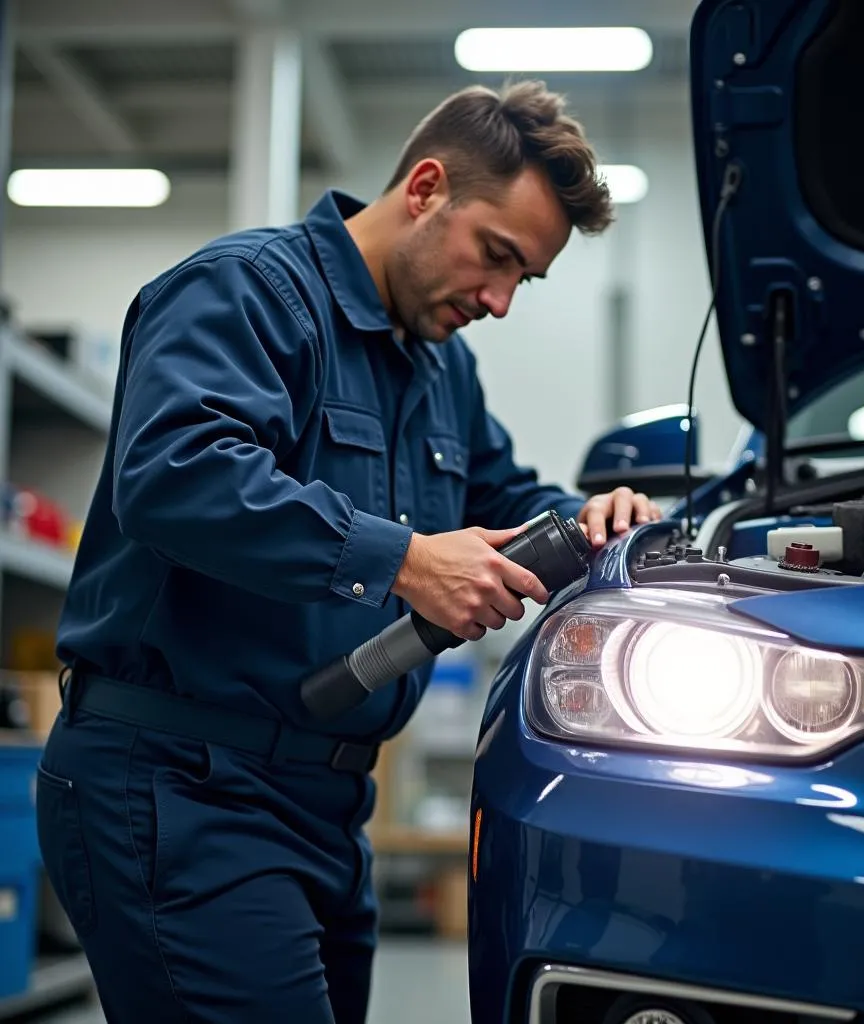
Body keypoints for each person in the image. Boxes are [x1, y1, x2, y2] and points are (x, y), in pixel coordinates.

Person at [36, 80, 661, 1023]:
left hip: (326, 802)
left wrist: (594, 518)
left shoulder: (439, 366)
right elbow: (175, 474)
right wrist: (408, 561)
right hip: (179, 784)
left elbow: (504, 496)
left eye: (521, 280)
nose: (497, 301)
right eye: (494, 256)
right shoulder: (248, 292)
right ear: (424, 188)